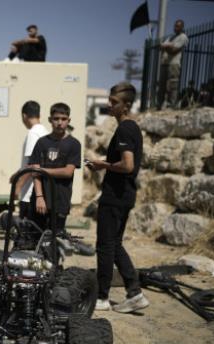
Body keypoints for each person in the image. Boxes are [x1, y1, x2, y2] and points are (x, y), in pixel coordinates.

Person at [87, 82, 149, 313]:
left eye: (114, 102)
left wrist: (102, 164)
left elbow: (127, 164)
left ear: (126, 105)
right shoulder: (132, 128)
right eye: (110, 101)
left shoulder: (125, 129)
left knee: (105, 246)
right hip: (125, 195)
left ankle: (102, 297)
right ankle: (134, 292)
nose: (109, 105)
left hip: (115, 197)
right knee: (115, 244)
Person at [19, 103, 81, 234]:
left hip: (61, 201)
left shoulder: (74, 144)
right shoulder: (41, 142)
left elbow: (67, 172)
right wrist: (40, 197)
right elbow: (35, 174)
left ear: (68, 121)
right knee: (35, 240)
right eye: (56, 118)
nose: (60, 122)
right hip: (40, 201)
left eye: (63, 119)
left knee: (55, 242)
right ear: (50, 120)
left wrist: (41, 170)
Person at [10, 101, 49, 220]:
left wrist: (17, 189)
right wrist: (17, 173)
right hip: (42, 192)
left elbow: (32, 165)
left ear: (24, 116)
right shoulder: (45, 132)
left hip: (29, 194)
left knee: (26, 235)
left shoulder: (33, 133)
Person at [157, 19, 188, 109]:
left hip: (174, 64)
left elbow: (174, 51)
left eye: (177, 26)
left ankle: (172, 105)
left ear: (182, 27)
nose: (175, 28)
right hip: (165, 63)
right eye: (175, 26)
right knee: (162, 85)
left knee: (172, 85)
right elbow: (162, 47)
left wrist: (166, 46)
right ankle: (159, 104)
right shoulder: (171, 38)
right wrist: (167, 46)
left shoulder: (183, 37)